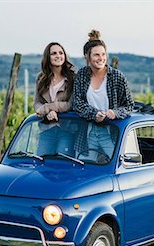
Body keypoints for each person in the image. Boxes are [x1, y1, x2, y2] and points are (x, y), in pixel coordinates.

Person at [73, 30, 134, 161]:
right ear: (87, 56)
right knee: (84, 170)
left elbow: (129, 106)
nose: (101, 58)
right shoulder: (81, 75)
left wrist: (115, 113)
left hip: (112, 132)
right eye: (96, 55)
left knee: (118, 169)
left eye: (103, 54)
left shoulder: (117, 77)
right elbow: (77, 102)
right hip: (88, 132)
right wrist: (94, 114)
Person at [34, 42, 75, 156]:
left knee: (62, 165)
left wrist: (49, 108)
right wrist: (48, 113)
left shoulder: (73, 78)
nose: (58, 56)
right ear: (48, 57)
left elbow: (70, 104)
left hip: (66, 130)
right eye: (54, 53)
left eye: (61, 53)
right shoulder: (41, 78)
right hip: (46, 129)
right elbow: (37, 103)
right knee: (41, 164)